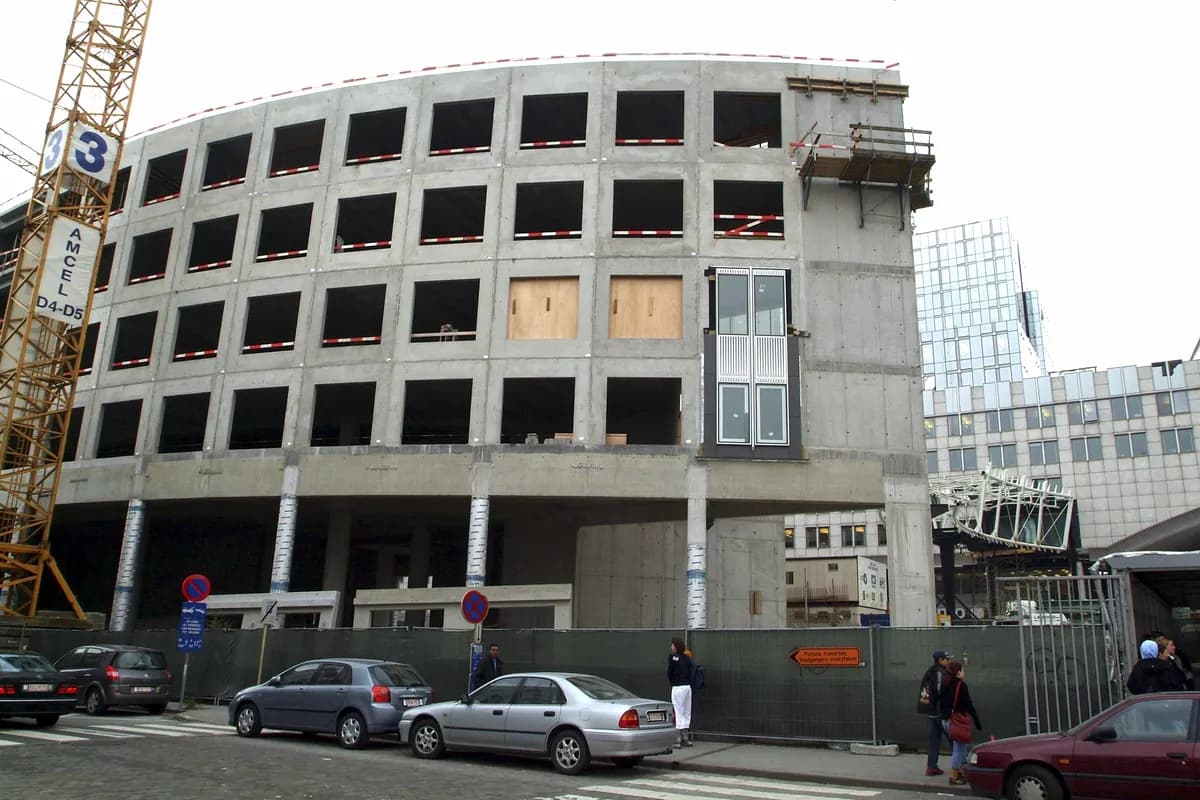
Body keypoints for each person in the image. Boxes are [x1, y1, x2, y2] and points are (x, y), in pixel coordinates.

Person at [938, 660, 982, 786]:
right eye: (962, 670)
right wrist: (977, 720)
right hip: (957, 721)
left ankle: (962, 772)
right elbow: (968, 704)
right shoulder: (961, 685)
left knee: (961, 747)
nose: (964, 672)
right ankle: (954, 775)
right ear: (958, 673)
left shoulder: (944, 684)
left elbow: (940, 702)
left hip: (946, 720)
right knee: (959, 749)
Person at [917, 650, 952, 776]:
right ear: (941, 660)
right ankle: (960, 767)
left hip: (932, 712)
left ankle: (931, 767)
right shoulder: (939, 672)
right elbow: (939, 691)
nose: (949, 661)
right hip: (940, 712)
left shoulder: (930, 671)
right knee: (954, 739)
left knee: (934, 741)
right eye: (947, 659)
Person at [668, 637, 694, 747]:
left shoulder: (672, 657)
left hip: (678, 686)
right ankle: (685, 736)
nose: (671, 647)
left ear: (675, 646)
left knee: (678, 710)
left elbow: (670, 672)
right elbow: (691, 670)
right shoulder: (687, 658)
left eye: (672, 645)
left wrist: (672, 681)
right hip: (687, 686)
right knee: (686, 711)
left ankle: (677, 738)